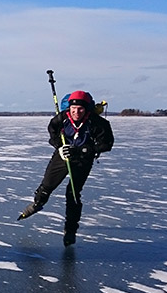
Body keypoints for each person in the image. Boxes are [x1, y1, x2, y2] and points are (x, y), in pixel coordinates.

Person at [17, 90, 114, 246]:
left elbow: (106, 144)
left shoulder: (97, 122)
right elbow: (52, 130)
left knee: (73, 194)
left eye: (80, 109)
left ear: (86, 109)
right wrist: (59, 146)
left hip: (83, 159)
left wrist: (84, 150)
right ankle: (37, 204)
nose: (76, 112)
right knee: (47, 186)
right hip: (63, 155)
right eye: (73, 109)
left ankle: (70, 230)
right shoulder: (62, 118)